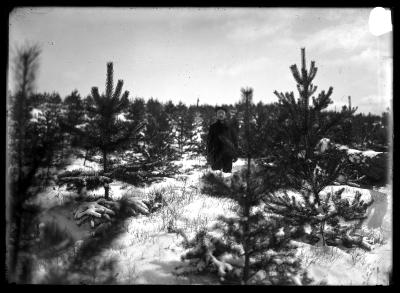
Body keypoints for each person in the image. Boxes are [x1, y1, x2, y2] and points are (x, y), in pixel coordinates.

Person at [207, 106, 238, 173]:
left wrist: (235, 154)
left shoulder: (230, 126)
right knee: (217, 175)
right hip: (216, 154)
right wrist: (209, 154)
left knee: (227, 175)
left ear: (225, 115)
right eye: (219, 113)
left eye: (222, 113)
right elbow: (209, 142)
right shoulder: (213, 127)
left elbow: (235, 140)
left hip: (228, 154)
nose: (220, 115)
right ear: (216, 115)